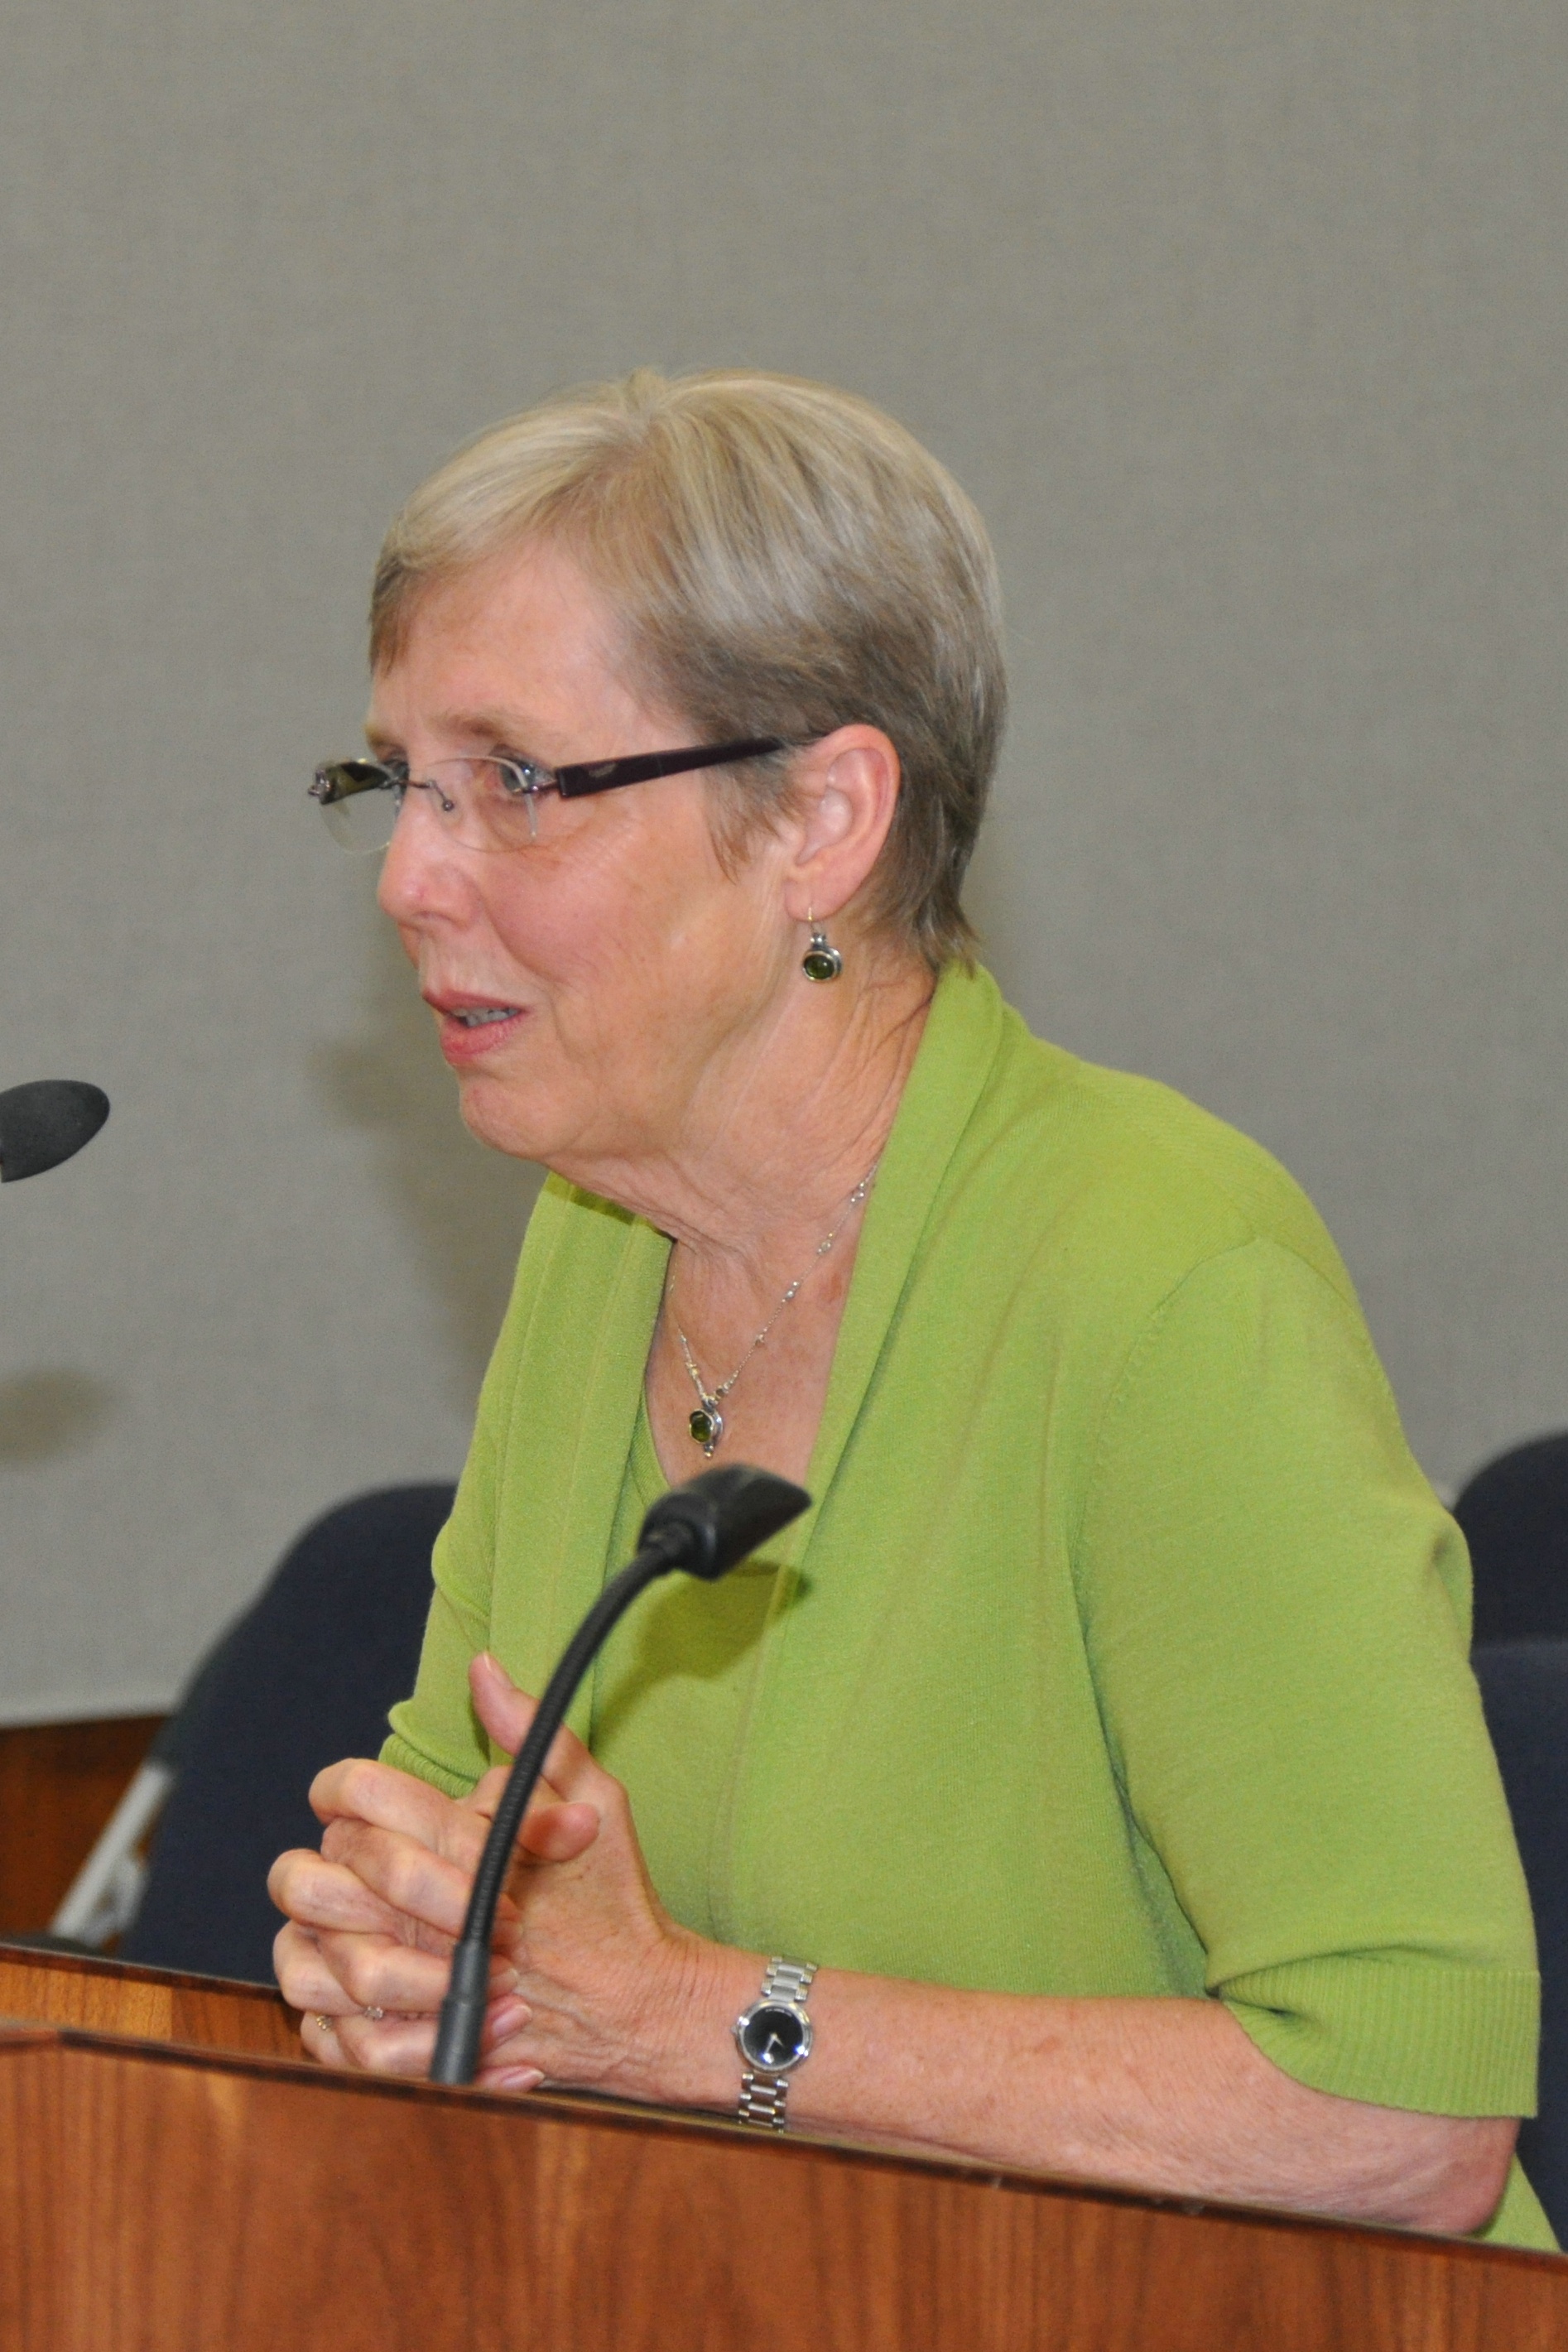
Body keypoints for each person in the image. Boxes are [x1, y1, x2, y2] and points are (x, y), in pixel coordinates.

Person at [270, 368, 1551, 2248]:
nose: (408, 875)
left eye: (518, 784)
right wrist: (393, 1957)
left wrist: (693, 2021)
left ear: (821, 816)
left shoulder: (1163, 1276)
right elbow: (475, 1852)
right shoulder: (601, 1230)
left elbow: (1401, 2116)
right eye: (397, 782)